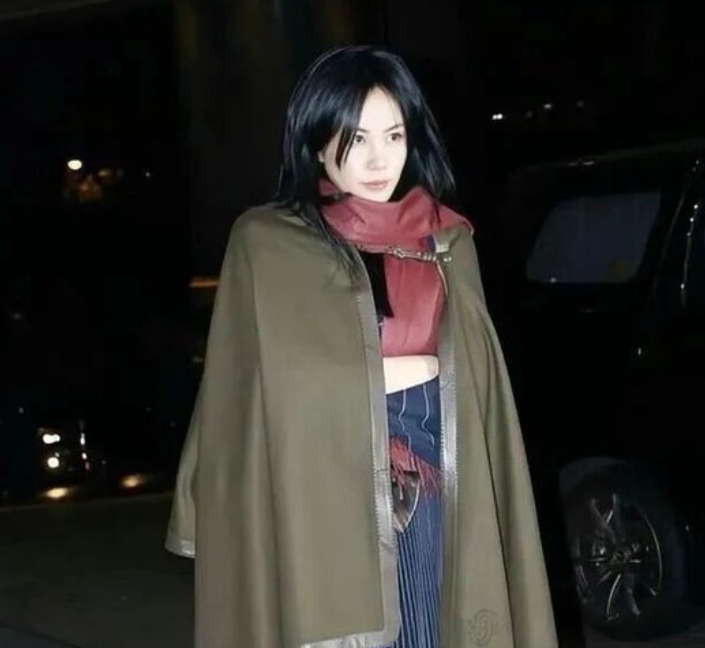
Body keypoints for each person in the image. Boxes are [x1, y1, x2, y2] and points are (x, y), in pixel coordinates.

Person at [166, 45, 558, 648]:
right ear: (318, 143)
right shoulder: (269, 244)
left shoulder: (449, 241)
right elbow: (240, 393)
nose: (380, 159)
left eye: (394, 135)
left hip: (438, 483)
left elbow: (480, 388)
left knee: (434, 628)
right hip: (320, 495)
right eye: (355, 139)